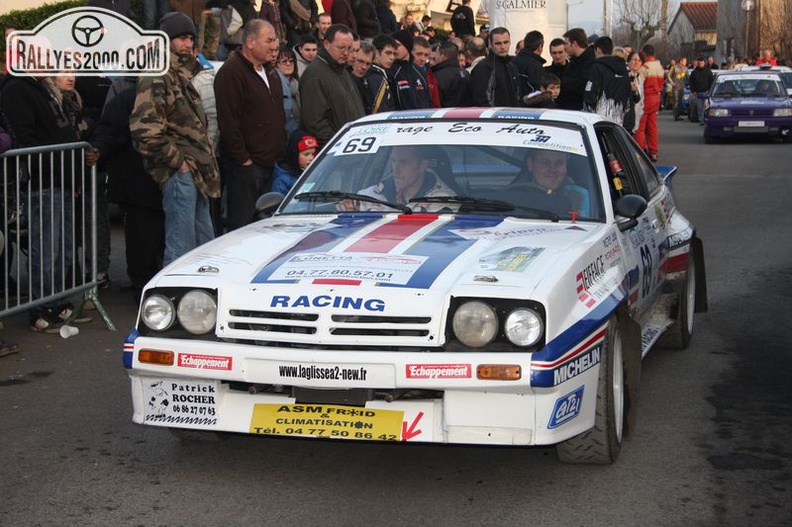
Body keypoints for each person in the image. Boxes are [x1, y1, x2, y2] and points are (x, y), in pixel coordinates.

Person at [130, 12, 220, 265]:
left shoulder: (181, 73)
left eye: (190, 37)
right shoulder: (157, 73)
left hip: (196, 173)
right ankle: (172, 302)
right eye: (180, 38)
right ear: (166, 41)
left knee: (205, 250)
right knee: (181, 250)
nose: (187, 43)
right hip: (181, 172)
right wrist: (179, 164)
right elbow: (144, 130)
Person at [90, 76, 165, 302]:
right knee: (141, 238)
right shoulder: (127, 99)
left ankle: (150, 284)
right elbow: (108, 133)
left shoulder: (166, 94)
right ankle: (143, 286)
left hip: (152, 181)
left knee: (154, 237)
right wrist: (99, 151)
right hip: (135, 182)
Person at [215, 20, 286, 231]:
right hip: (246, 169)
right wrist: (243, 159)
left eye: (276, 40)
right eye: (269, 40)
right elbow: (228, 122)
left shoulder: (269, 72)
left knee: (265, 228)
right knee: (243, 228)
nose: (275, 46)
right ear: (250, 42)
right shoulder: (231, 72)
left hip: (270, 164)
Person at [300, 24, 366, 145]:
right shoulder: (315, 75)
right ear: (326, 44)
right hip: (337, 150)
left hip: (353, 145)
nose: (346, 53)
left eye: (349, 48)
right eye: (341, 48)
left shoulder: (342, 70)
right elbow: (315, 122)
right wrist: (340, 143)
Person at [340, 145, 454, 211]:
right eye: (394, 161)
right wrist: (351, 214)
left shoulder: (445, 202)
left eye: (404, 162)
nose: (396, 169)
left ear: (423, 165)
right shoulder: (368, 197)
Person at [517, 149, 589, 217]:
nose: (552, 169)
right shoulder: (513, 194)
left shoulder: (581, 196)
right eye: (545, 163)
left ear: (566, 166)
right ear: (530, 164)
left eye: (559, 163)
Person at [583, 36, 631, 126]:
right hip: (618, 122)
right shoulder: (623, 68)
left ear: (598, 50)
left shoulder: (597, 67)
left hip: (599, 121)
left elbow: (590, 93)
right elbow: (628, 95)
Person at [469, 27, 521, 107]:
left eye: (506, 42)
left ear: (510, 43)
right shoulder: (483, 68)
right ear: (490, 45)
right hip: (492, 117)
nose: (503, 47)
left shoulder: (512, 66)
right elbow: (480, 99)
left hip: (510, 115)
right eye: (498, 43)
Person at [634, 44, 663, 162]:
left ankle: (641, 150)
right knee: (652, 126)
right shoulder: (659, 67)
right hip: (656, 97)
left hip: (646, 97)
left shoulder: (645, 68)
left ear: (644, 53)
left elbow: (639, 84)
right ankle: (654, 151)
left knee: (640, 126)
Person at [390, 30, 432, 110]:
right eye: (419, 54)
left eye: (398, 45)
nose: (394, 49)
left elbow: (428, 101)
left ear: (407, 46)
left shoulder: (419, 72)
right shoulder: (391, 71)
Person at [557, 27, 595, 110]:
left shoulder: (591, 63)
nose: (564, 47)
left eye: (566, 43)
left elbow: (582, 85)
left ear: (574, 43)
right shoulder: (573, 62)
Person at [430, 39, 472, 107]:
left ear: (442, 55)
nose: (435, 57)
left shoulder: (437, 76)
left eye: (437, 53)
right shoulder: (466, 73)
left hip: (444, 115)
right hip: (466, 114)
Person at [364, 34, 398, 113]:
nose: (392, 58)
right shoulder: (376, 78)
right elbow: (380, 112)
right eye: (388, 53)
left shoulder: (382, 75)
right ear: (377, 53)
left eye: (394, 54)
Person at [276, 45, 301, 135]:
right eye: (283, 61)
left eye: (291, 61)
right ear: (276, 64)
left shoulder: (299, 84)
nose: (288, 64)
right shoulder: (274, 86)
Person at [513, 30, 545, 95]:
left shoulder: (511, 62)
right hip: (529, 104)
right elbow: (537, 92)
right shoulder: (536, 66)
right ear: (540, 47)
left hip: (510, 103)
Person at [412, 36, 441, 108]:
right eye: (419, 54)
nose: (423, 59)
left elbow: (435, 102)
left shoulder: (430, 73)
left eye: (426, 55)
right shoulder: (403, 73)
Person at [350, 41, 375, 112]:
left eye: (368, 64)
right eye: (360, 61)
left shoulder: (369, 82)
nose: (364, 67)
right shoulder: (344, 80)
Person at [689, 57, 714, 124]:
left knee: (706, 107)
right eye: (699, 63)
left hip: (706, 92)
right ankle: (701, 120)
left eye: (702, 63)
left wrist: (710, 90)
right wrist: (693, 90)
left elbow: (711, 81)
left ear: (704, 63)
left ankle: (706, 119)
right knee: (699, 107)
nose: (700, 64)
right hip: (698, 92)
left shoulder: (708, 71)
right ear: (697, 63)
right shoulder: (694, 72)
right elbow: (691, 82)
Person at [624, 51, 644, 135]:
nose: (636, 62)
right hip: (624, 119)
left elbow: (641, 101)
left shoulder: (640, 78)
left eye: (639, 61)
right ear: (629, 61)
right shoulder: (625, 76)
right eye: (634, 59)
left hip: (635, 118)